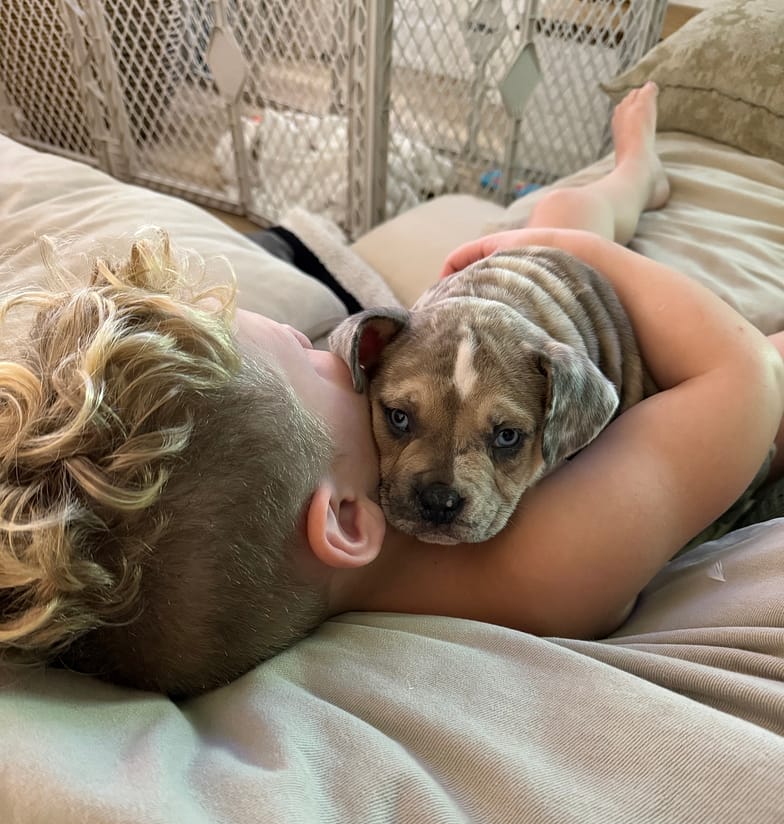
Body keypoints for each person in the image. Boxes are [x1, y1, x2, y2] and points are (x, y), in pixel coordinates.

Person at [1, 84, 783, 697]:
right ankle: (601, 205)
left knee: (557, 212)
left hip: (524, 324)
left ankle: (631, 173)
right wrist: (579, 256)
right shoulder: (553, 566)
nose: (338, 354)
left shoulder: (288, 539)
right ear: (343, 518)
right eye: (393, 414)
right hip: (667, 375)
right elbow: (745, 383)